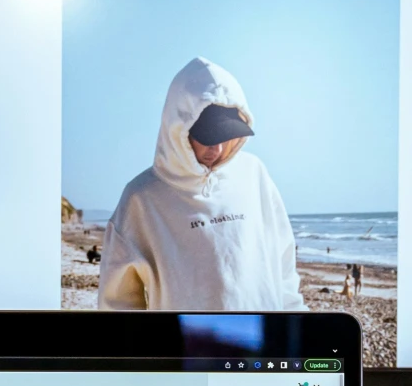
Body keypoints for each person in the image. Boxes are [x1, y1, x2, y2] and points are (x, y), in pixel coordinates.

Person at [97, 58, 303, 312]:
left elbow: (283, 264)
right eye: (207, 137)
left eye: (225, 136)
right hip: (185, 348)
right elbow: (118, 301)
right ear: (178, 130)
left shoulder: (253, 174)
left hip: (266, 344)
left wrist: (297, 323)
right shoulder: (143, 198)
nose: (216, 149)